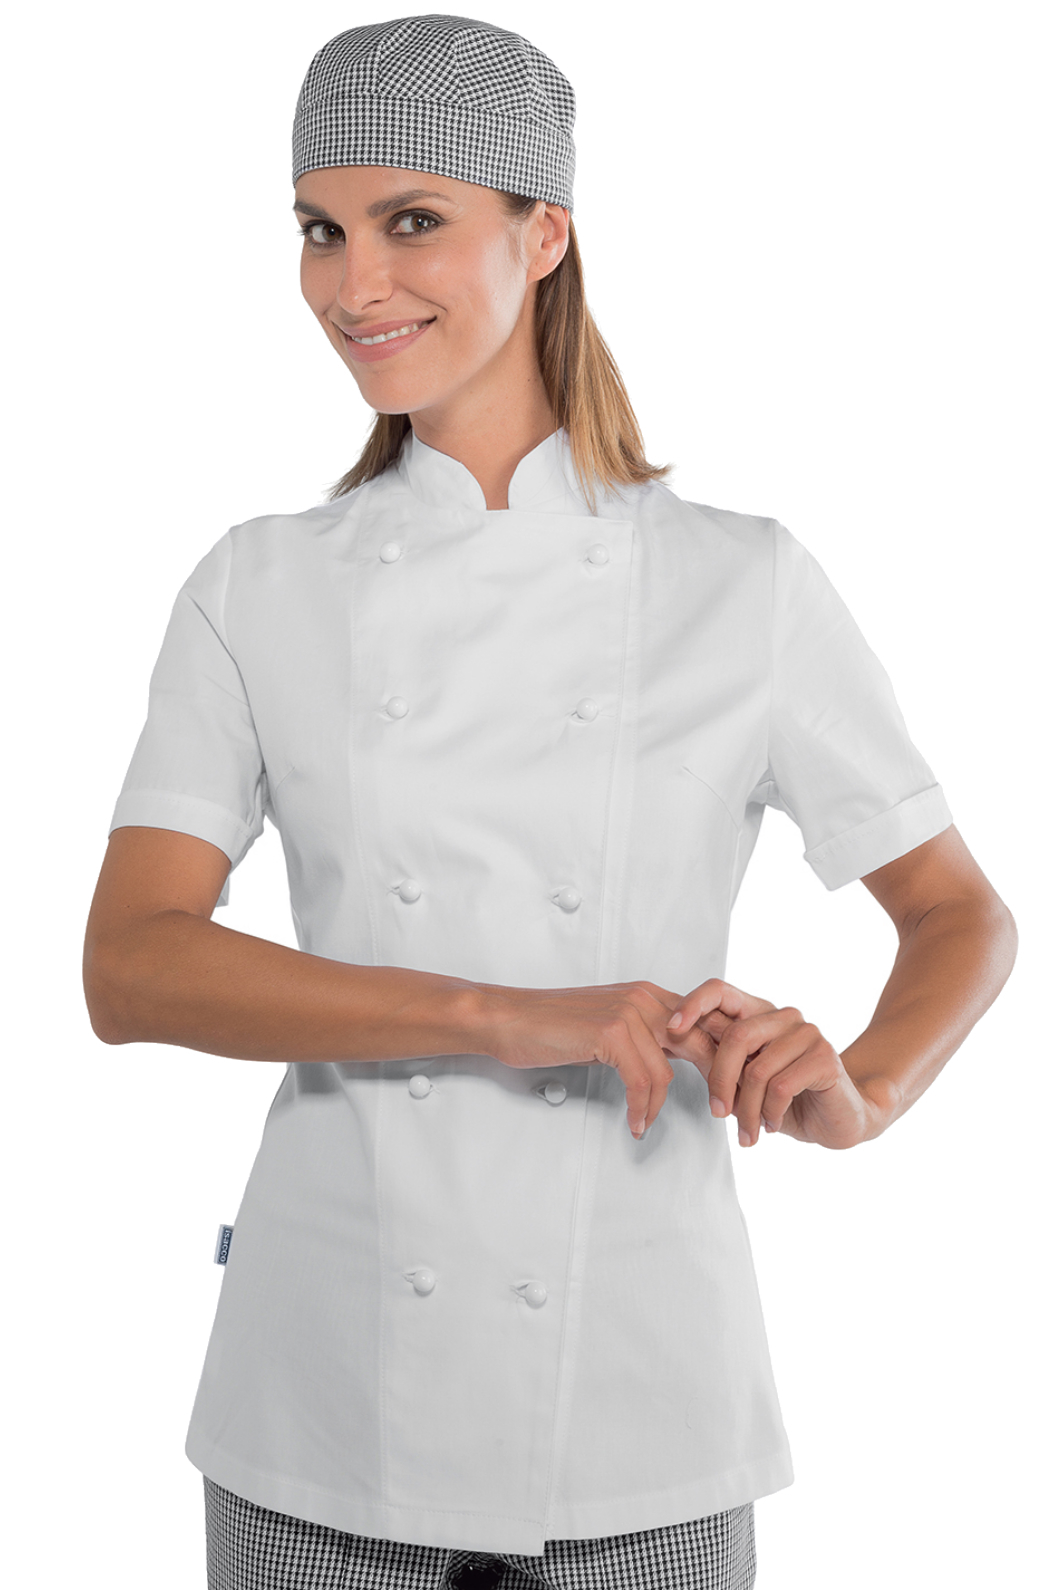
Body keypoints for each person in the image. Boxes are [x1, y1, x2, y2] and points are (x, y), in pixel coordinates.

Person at [82, 14, 1017, 1590]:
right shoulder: (258, 585)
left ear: (546, 232)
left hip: (643, 1384)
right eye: (320, 229)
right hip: (326, 1389)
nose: (353, 284)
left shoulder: (740, 584)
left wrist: (861, 1088)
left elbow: (958, 914)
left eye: (411, 221)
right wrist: (508, 1012)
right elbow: (131, 965)